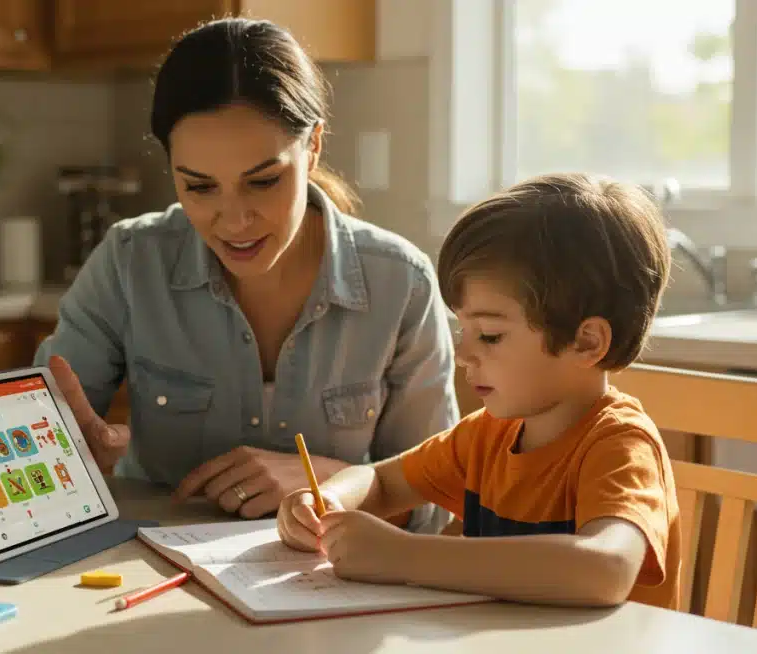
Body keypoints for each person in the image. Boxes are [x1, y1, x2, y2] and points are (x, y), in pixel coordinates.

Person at [34, 17, 458, 532]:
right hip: (151, 577)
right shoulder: (128, 261)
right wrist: (64, 461)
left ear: (315, 145)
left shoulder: (401, 283)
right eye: (199, 188)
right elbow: (38, 456)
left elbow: (439, 505)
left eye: (263, 182)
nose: (234, 222)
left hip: (331, 589)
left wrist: (332, 484)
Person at [277, 172, 682, 609]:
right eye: (462, 328)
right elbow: (379, 480)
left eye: (489, 335)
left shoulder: (619, 445)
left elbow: (605, 569)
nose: (463, 354)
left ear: (586, 342)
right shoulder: (487, 436)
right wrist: (327, 501)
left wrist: (405, 555)